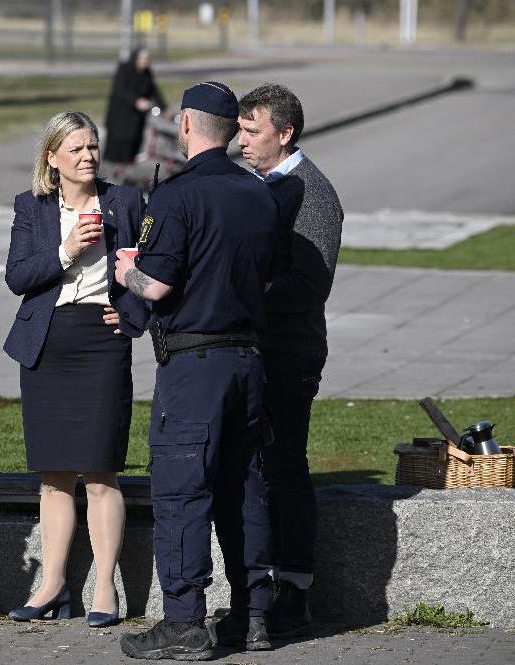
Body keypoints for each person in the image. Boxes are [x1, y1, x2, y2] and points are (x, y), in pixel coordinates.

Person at [112, 81, 281, 660]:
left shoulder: (177, 195)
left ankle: (184, 623)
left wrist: (123, 269)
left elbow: (155, 285)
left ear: (185, 125)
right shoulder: (261, 192)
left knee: (183, 489)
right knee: (245, 490)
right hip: (248, 362)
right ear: (233, 129)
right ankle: (254, 615)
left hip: (195, 365)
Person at [2, 111, 148, 628]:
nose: (88, 157)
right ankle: (52, 584)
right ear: (52, 158)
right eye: (77, 150)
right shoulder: (33, 208)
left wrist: (130, 313)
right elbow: (17, 276)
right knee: (54, 476)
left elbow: (153, 268)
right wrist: (66, 251)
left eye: (93, 147)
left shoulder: (125, 202)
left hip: (101, 343)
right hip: (48, 344)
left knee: (101, 472)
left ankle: (104, 585)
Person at [237, 83, 344, 640]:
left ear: (286, 133)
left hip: (290, 352)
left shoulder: (313, 193)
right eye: (239, 129)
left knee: (285, 468)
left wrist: (239, 293)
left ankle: (295, 591)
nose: (242, 141)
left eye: (253, 132)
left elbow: (309, 285)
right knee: (254, 470)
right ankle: (258, 586)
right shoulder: (252, 184)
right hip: (251, 347)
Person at [104, 48, 165, 165]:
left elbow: (154, 91)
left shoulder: (147, 73)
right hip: (120, 115)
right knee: (117, 146)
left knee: (133, 144)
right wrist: (136, 101)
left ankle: (128, 167)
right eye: (143, 59)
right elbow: (119, 90)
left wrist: (164, 108)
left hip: (136, 119)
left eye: (147, 59)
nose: (145, 61)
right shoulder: (124, 69)